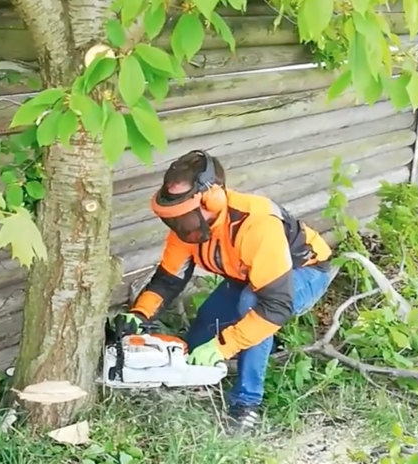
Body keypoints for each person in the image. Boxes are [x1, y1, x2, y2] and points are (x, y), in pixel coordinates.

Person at [117, 149, 339, 430]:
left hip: (303, 273)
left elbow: (275, 305)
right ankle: (255, 348)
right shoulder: (187, 229)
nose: (178, 225)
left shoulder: (256, 224)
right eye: (173, 218)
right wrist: (140, 313)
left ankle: (246, 404)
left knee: (251, 306)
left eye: (184, 216)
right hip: (247, 277)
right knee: (202, 332)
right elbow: (168, 280)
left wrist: (226, 345)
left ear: (214, 197)